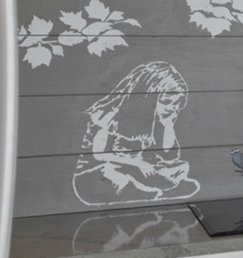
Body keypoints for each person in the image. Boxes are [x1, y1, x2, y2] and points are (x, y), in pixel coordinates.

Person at [73, 60, 201, 206]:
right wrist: (138, 163)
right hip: (99, 173)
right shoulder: (110, 114)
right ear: (147, 97)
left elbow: (170, 156)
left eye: (176, 104)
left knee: (181, 167)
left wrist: (168, 125)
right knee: (112, 173)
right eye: (166, 101)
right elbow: (99, 154)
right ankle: (149, 191)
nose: (172, 108)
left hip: (133, 168)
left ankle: (150, 189)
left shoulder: (153, 121)